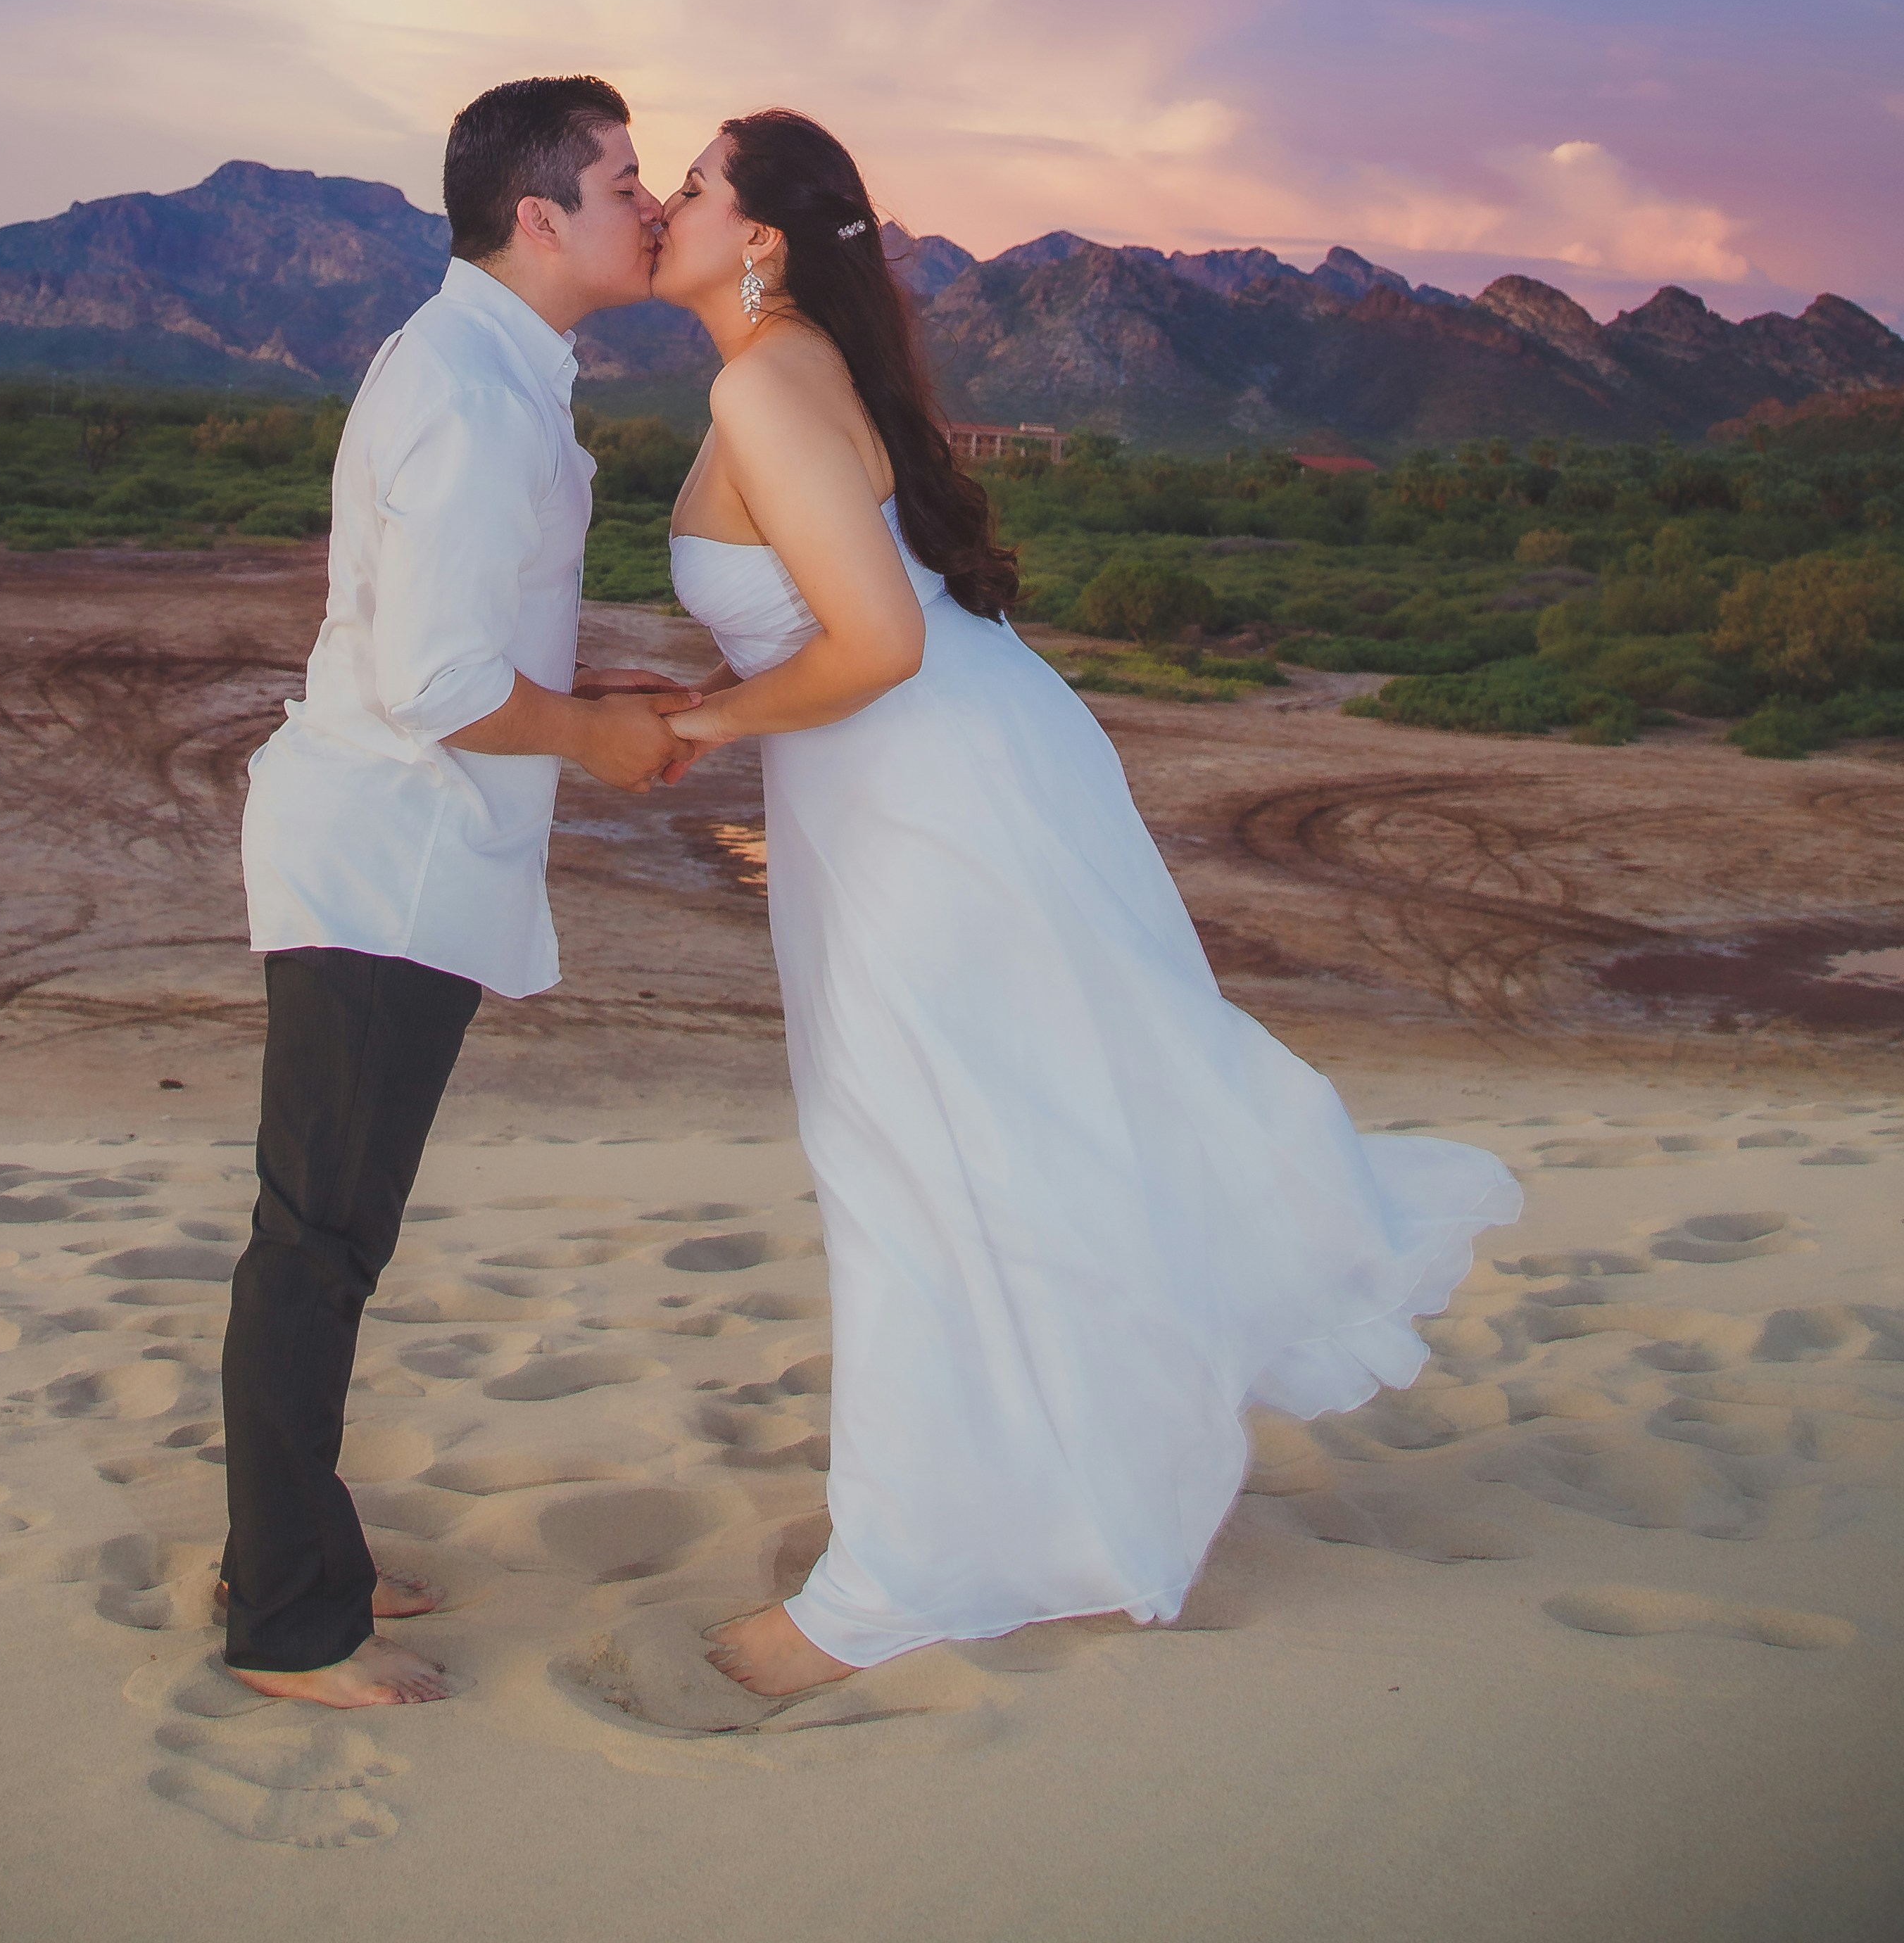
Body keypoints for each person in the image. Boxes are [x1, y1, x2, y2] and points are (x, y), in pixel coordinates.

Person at [651, 108, 1520, 1699]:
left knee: (922, 1160)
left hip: (932, 793)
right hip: (916, 781)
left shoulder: (761, 382)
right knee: (979, 1143)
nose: (662, 202)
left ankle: (894, 1584)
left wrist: (694, 729)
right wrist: (744, 731)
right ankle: (1014, 1491)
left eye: (694, 185)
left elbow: (880, 647)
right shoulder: (777, 378)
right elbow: (844, 623)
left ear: (760, 237)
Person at [221, 75, 695, 1709]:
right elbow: (434, 682)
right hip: (384, 860)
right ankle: (288, 1617)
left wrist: (580, 688)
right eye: (627, 180)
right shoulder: (482, 399)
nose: (650, 205)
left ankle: (287, 1546)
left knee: (325, 1235)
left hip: (386, 848)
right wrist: (600, 740)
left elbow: (448, 634)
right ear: (540, 215)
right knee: (319, 1245)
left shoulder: (480, 366)